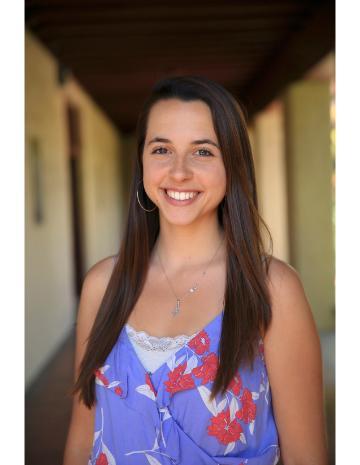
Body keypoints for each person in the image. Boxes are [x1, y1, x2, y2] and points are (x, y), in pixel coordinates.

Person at [63, 76, 328, 465]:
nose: (179, 171)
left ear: (233, 164)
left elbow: (307, 457)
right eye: (161, 149)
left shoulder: (272, 289)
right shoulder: (103, 286)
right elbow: (82, 437)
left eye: (202, 152)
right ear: (142, 162)